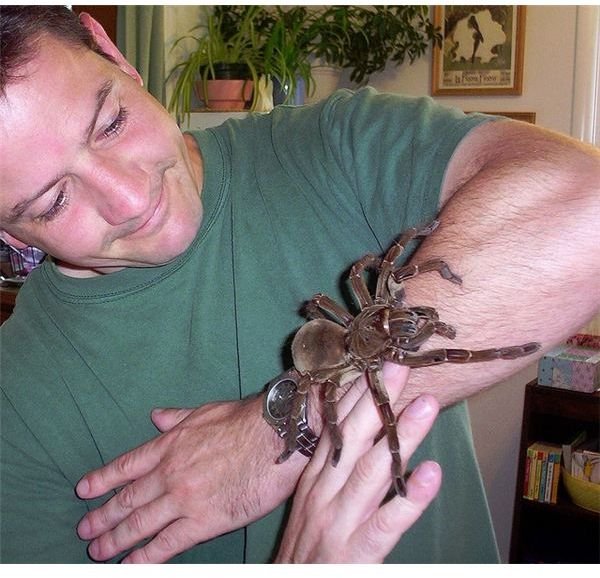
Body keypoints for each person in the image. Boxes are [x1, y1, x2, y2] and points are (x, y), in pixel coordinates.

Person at [1, 5, 598, 564]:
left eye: (111, 122)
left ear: (112, 52)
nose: (129, 200)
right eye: (52, 203)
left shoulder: (331, 149)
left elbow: (585, 208)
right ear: (9, 235)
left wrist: (280, 430)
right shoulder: (17, 404)